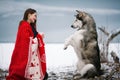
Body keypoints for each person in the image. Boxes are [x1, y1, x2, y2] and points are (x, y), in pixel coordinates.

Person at [6, 8, 48, 80]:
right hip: (26, 57)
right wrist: (38, 38)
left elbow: (34, 36)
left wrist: (39, 36)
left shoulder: (30, 26)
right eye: (35, 16)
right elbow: (26, 41)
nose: (35, 18)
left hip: (33, 58)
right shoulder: (24, 26)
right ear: (29, 15)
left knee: (43, 75)